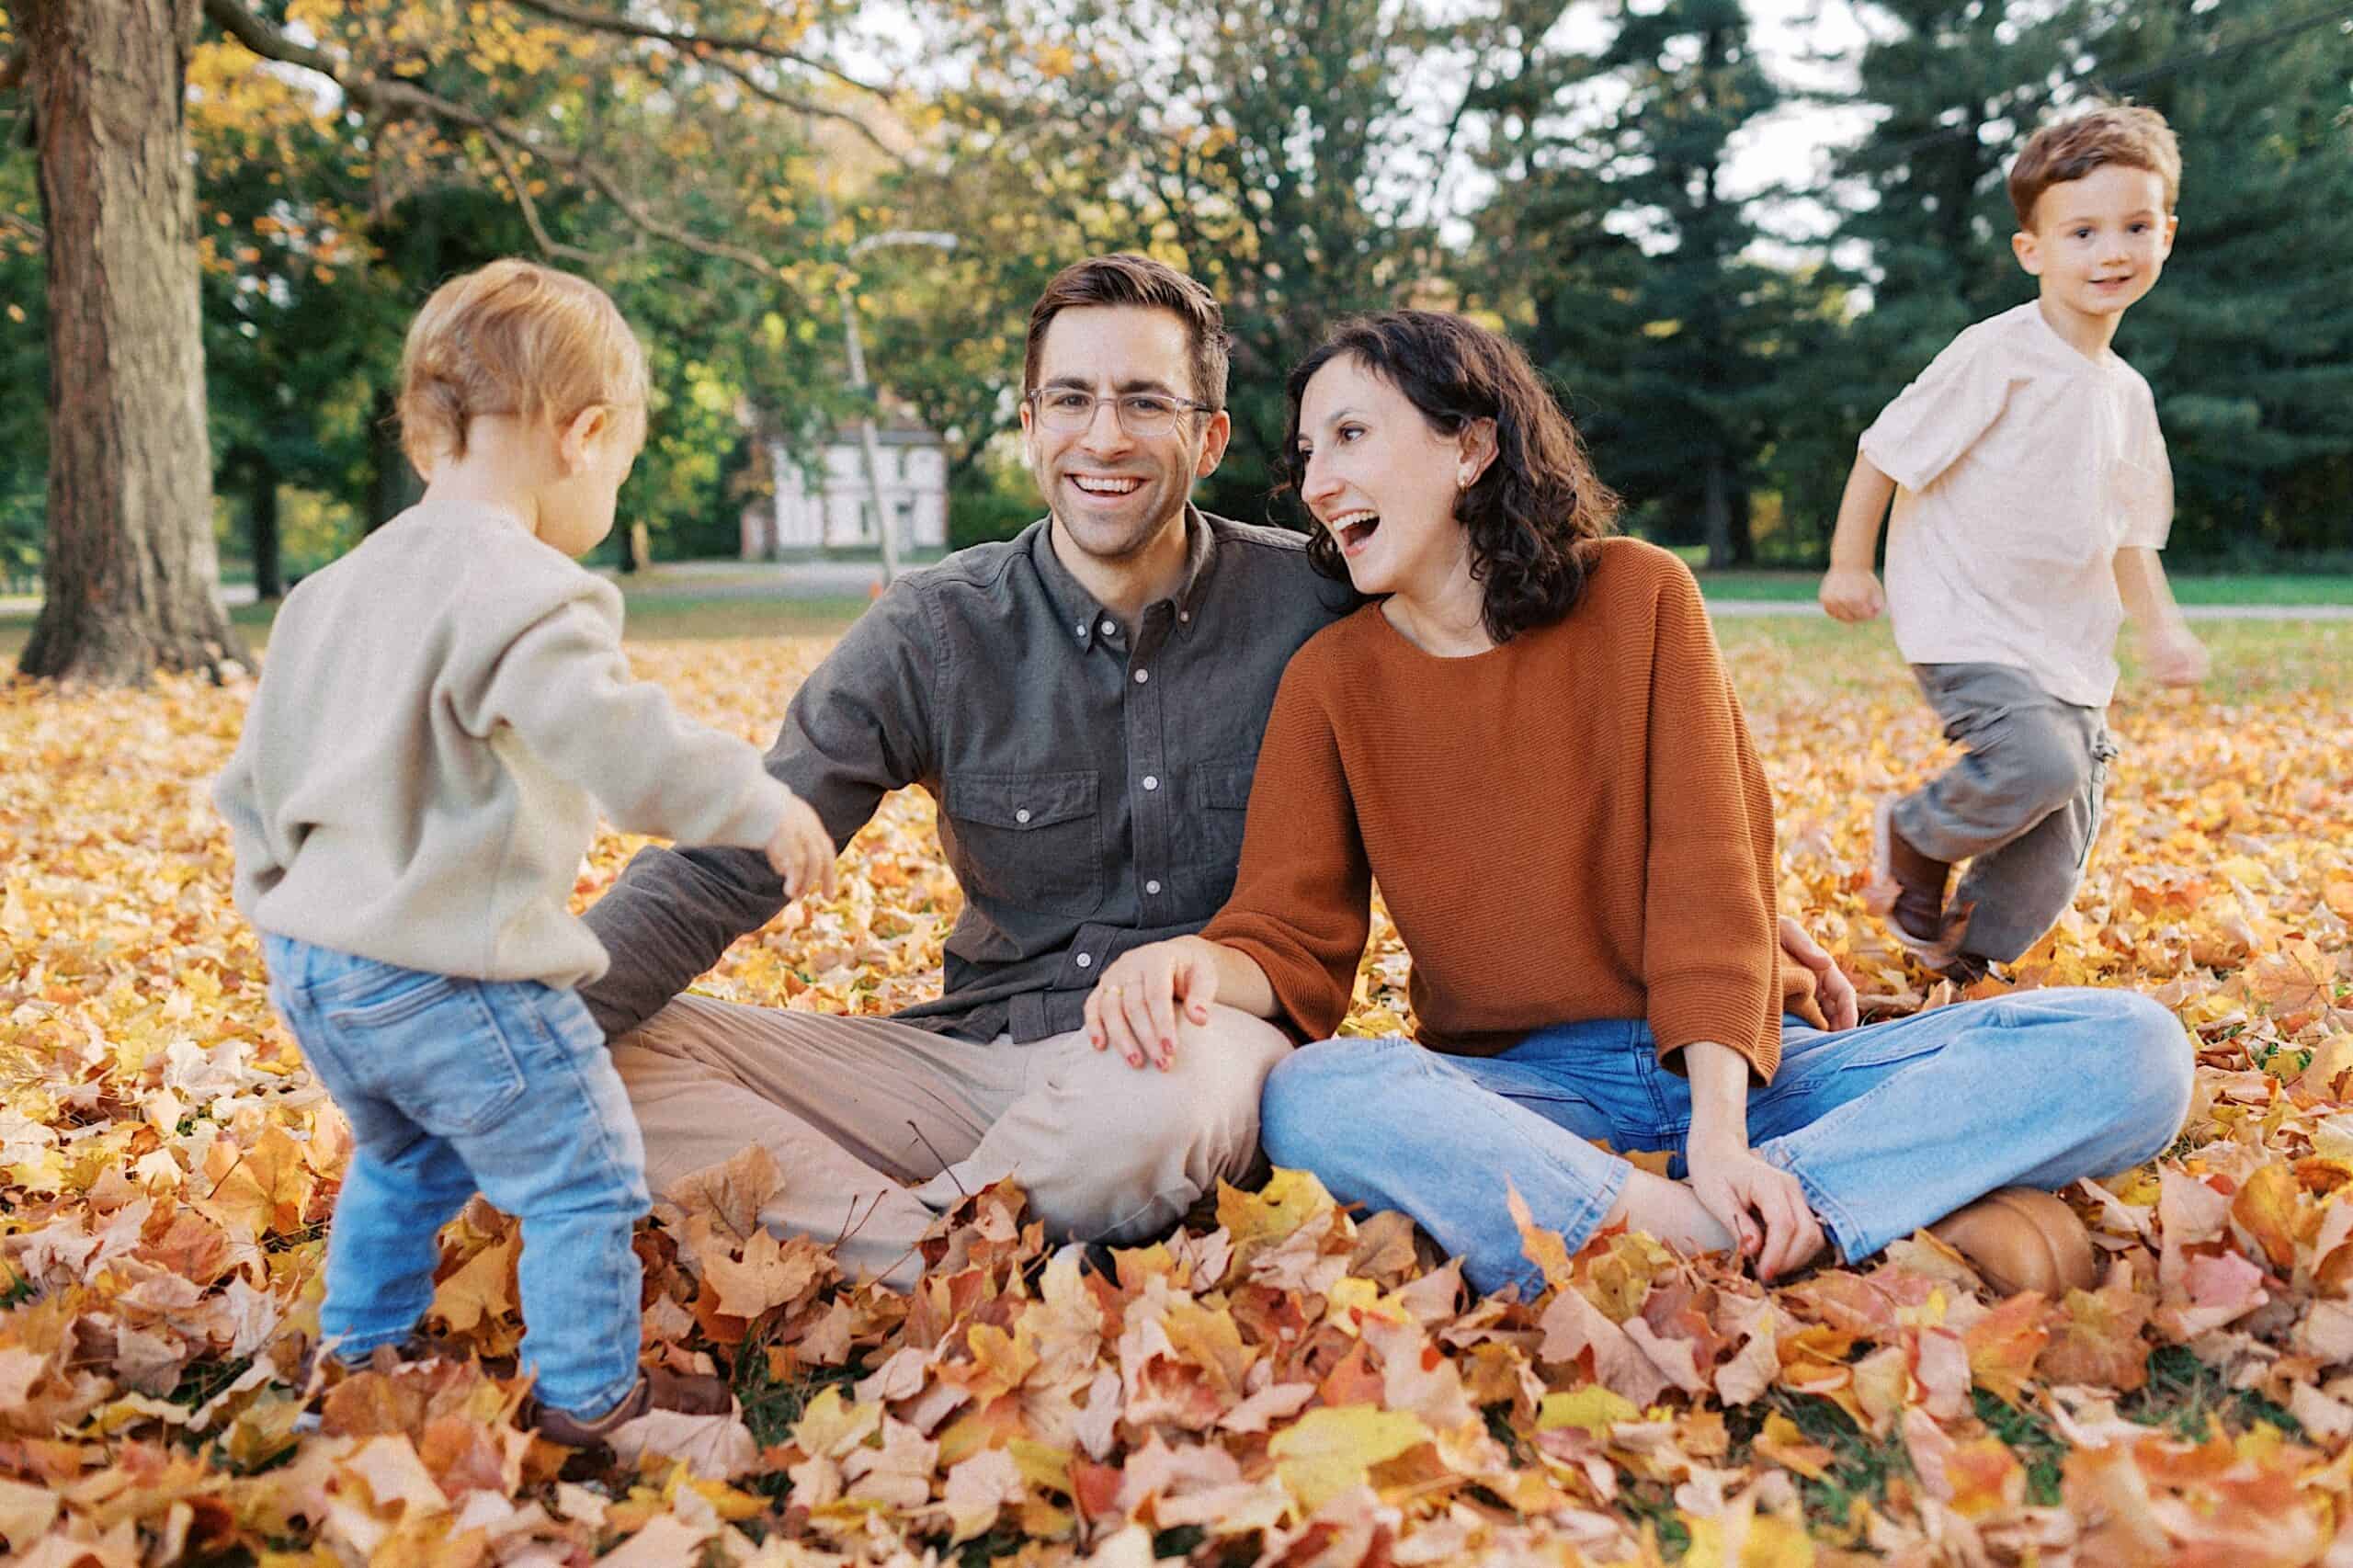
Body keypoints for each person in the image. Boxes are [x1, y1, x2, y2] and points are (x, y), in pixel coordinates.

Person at [576, 254, 1860, 1289]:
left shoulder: (1322, 597)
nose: (1105, 435)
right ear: (1029, 423)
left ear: (1209, 433)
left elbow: (1506, 707)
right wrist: (535, 1010)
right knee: (586, 1064)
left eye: (1145, 401)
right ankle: (934, 1250)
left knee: (1166, 1102)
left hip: (1186, 1058)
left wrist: (1727, 918)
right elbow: (743, 850)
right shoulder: (937, 629)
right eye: (1071, 398)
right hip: (961, 1066)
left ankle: (900, 1240)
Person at [1085, 311, 2193, 1301]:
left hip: (1750, 1066)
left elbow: (1713, 880)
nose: (1317, 481)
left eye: (1352, 436)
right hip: (1529, 1091)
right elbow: (1288, 930)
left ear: (1470, 444)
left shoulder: (1636, 595)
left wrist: (1718, 1132)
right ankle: (1758, 1228)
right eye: (1308, 450)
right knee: (1317, 1095)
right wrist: (1191, 960)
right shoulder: (1332, 678)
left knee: (2133, 1048)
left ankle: (1679, 1220)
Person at [213, 259, 838, 1447]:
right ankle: (597, 1404)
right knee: (585, 1174)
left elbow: (253, 786)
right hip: (454, 977)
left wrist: (288, 914)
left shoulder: (331, 590)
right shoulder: (526, 589)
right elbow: (622, 741)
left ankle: (357, 1360)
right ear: (583, 433)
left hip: (317, 966)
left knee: (406, 1158)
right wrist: (754, 801)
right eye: (620, 463)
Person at [1817, 105, 2208, 977]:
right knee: (2038, 763)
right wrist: (1850, 562)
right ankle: (1914, 835)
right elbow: (1882, 453)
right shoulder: (1999, 355)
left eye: (2135, 227)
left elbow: (2131, 537)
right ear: (2032, 249)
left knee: (2055, 851)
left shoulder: (2128, 396)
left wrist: (2161, 628)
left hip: (2068, 654)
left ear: (2167, 236)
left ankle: (1958, 973)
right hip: (1971, 629)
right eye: (2083, 232)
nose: (2112, 251)